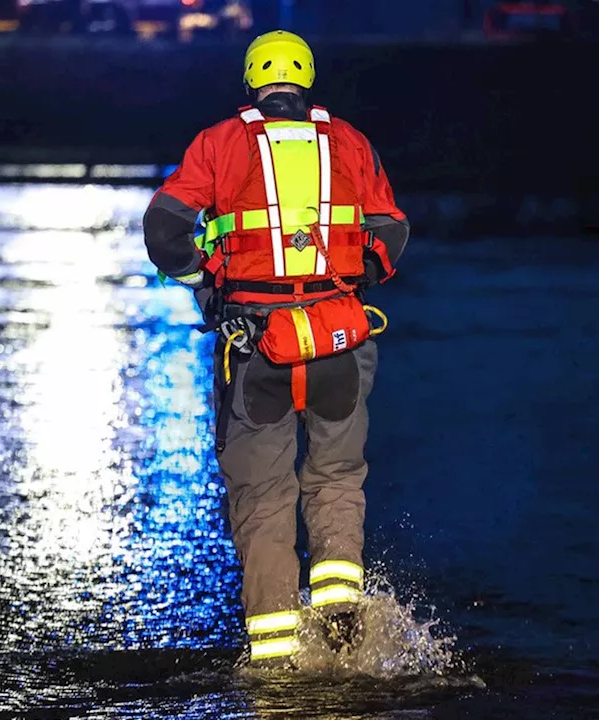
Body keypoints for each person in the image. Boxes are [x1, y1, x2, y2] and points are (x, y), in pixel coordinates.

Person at [142, 30, 410, 668]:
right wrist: (348, 279)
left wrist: (207, 278)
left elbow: (164, 229)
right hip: (340, 340)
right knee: (337, 477)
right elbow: (391, 232)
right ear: (307, 78)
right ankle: (344, 633)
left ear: (251, 80)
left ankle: (275, 661)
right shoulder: (349, 141)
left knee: (263, 497)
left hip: (256, 345)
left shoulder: (219, 143)